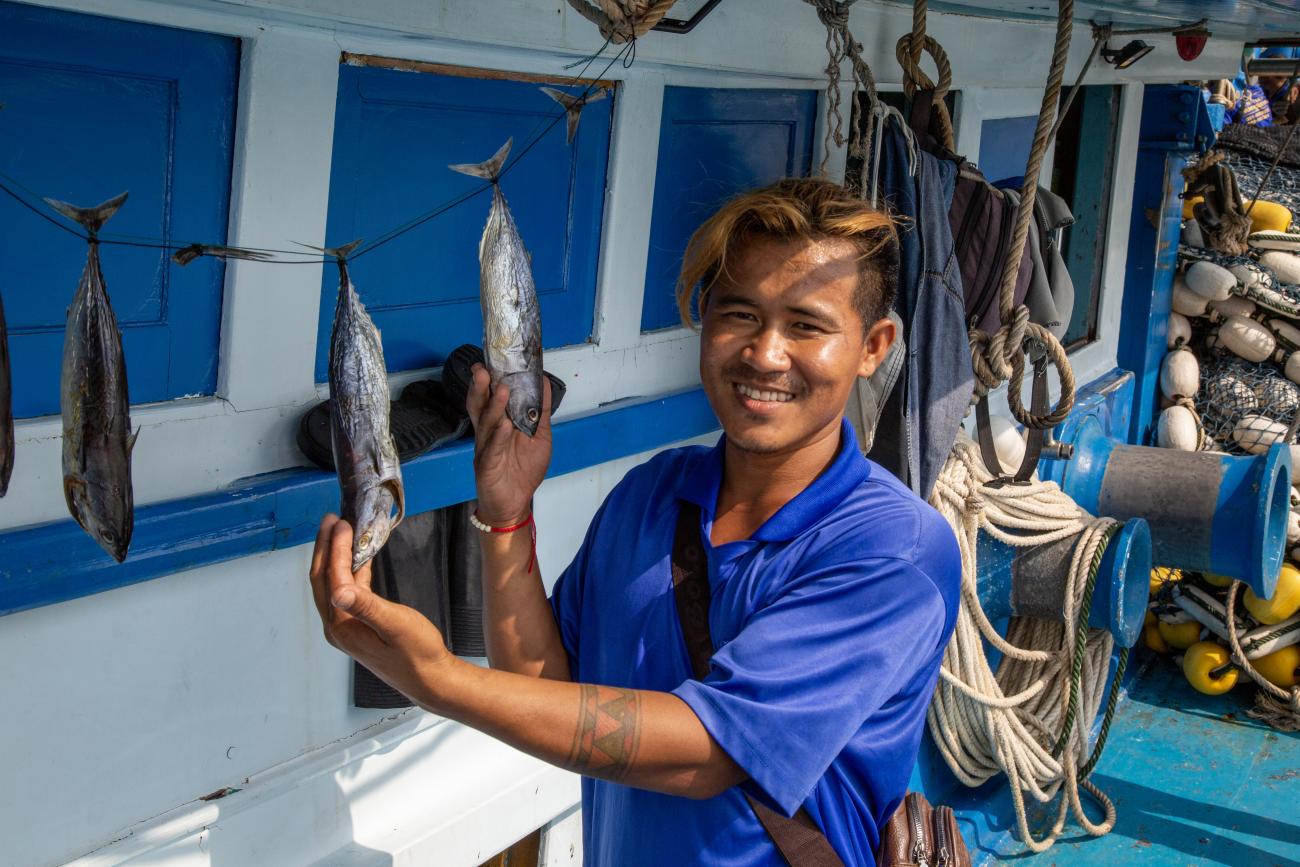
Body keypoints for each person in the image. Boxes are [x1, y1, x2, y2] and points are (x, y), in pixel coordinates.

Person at [308, 177, 962, 865]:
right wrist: (506, 515)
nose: (766, 354)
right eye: (740, 314)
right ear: (704, 316)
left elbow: (706, 752)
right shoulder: (650, 493)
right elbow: (545, 686)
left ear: (873, 345)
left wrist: (437, 679)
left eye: (806, 325)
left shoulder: (896, 551)